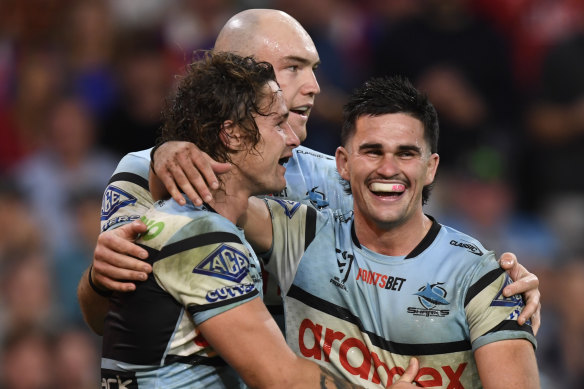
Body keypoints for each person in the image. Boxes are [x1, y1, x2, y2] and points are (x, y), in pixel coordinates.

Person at [78, 9, 541, 336]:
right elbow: (102, 318)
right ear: (239, 81)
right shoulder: (147, 168)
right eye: (295, 67)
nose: (316, 86)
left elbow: (425, 253)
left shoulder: (335, 178)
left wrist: (495, 277)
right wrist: (97, 281)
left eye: (315, 69)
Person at [97, 50, 407, 389]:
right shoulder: (201, 238)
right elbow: (282, 380)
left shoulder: (185, 222)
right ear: (232, 135)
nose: (293, 137)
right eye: (278, 123)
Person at [239, 75, 540, 387]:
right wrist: (183, 150)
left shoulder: (480, 278)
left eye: (406, 153)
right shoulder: (301, 234)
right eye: (372, 151)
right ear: (342, 163)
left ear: (430, 168)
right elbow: (221, 194)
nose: (387, 168)